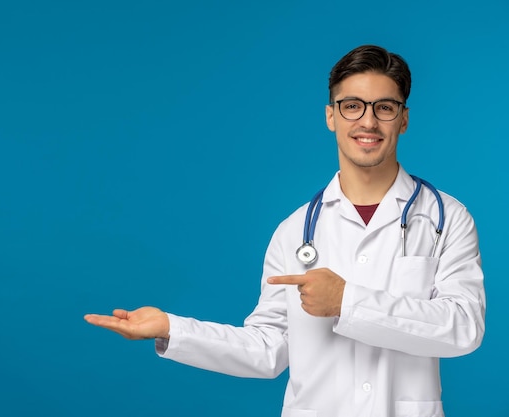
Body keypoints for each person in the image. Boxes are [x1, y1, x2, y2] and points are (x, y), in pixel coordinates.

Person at [84, 45, 486, 417]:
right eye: (351, 106)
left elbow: (464, 327)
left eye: (384, 107)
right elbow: (267, 348)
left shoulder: (446, 218)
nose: (367, 121)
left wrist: (347, 301)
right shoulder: (295, 231)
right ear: (331, 116)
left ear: (404, 118)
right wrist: (173, 328)